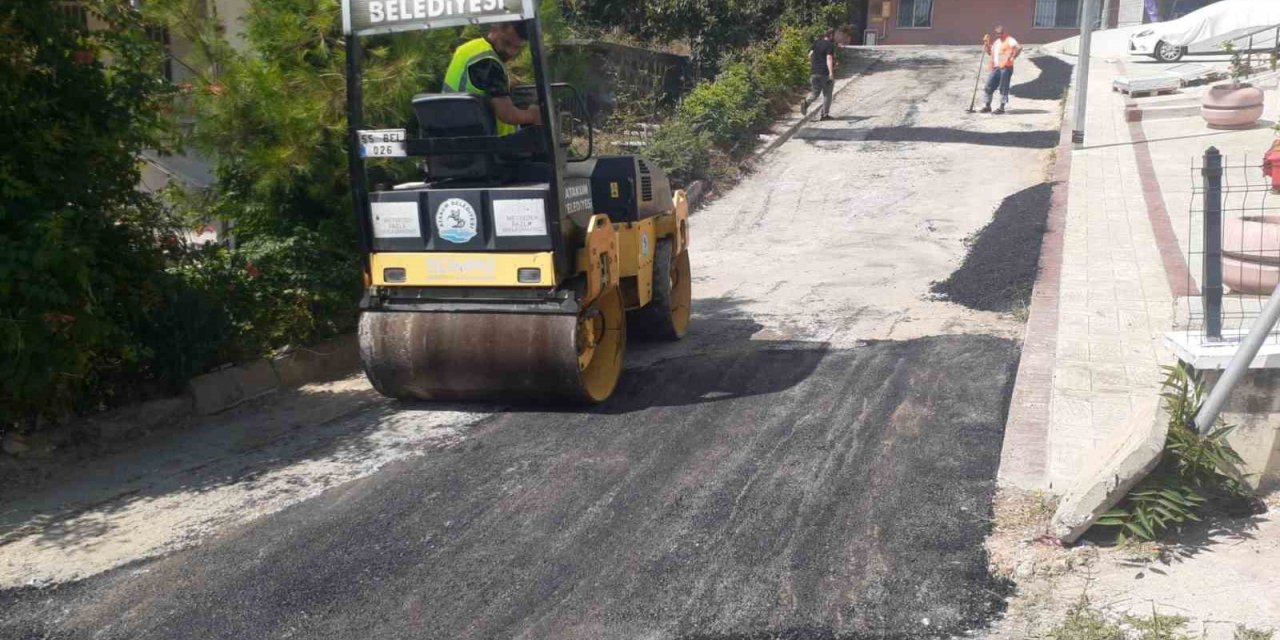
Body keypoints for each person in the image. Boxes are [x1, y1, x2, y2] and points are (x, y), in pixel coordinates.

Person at [442, 22, 541, 135]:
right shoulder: (488, 61)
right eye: (507, 43)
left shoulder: (469, 48)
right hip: (483, 142)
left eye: (517, 48)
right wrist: (533, 115)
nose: (511, 52)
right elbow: (507, 115)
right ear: (495, 28)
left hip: (457, 132)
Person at [981, 25, 1021, 115]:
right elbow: (989, 53)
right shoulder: (996, 42)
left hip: (1006, 68)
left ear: (1004, 32)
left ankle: (1001, 108)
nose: (1000, 35)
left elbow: (1019, 47)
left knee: (1003, 88)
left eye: (1001, 33)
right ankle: (988, 106)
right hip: (996, 68)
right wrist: (986, 44)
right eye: (998, 33)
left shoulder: (1010, 40)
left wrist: (1013, 57)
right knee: (988, 86)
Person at [802, 28, 837, 121]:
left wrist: (813, 65)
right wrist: (831, 73)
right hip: (824, 73)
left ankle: (806, 102)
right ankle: (824, 115)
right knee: (827, 93)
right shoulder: (830, 45)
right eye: (834, 35)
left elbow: (810, 55)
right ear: (831, 35)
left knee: (815, 92)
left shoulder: (816, 42)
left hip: (814, 72)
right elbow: (829, 58)